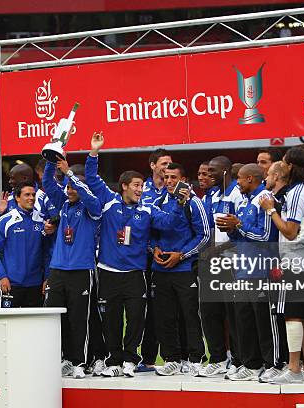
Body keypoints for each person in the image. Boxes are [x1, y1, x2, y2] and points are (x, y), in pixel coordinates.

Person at [85, 132, 185, 378]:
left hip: (135, 274)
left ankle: (130, 360)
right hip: (108, 272)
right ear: (125, 187)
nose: (141, 190)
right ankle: (113, 362)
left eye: (142, 185)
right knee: (111, 322)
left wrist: (179, 202)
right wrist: (94, 152)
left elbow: (170, 223)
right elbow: (91, 178)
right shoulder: (109, 202)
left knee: (136, 320)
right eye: (137, 186)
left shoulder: (148, 210)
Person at [259, 147, 304, 384]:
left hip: (296, 259)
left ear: (291, 166)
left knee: (293, 315)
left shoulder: (296, 193)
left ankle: (294, 368)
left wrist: (271, 210)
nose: (281, 165)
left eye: (283, 162)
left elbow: (290, 231)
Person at [42, 159, 102, 379]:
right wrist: (51, 161)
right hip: (57, 269)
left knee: (80, 319)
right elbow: (48, 183)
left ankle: (80, 361)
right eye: (67, 187)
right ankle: (64, 358)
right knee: (54, 317)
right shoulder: (63, 205)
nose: (69, 191)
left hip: (81, 270)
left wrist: (71, 174)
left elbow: (91, 199)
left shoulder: (91, 208)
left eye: (73, 187)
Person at [151, 162, 210, 376]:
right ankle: (171, 359)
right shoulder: (157, 201)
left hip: (185, 267)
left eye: (173, 178)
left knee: (189, 315)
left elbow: (204, 236)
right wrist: (154, 248)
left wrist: (182, 255)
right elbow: (153, 231)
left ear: (183, 180)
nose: (168, 182)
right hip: (161, 268)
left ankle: (195, 358)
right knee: (164, 316)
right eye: (166, 177)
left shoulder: (194, 203)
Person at [221, 164, 278, 381]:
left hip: (261, 270)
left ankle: (271, 363)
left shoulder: (264, 198)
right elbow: (243, 235)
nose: (237, 183)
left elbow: (265, 236)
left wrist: (240, 225)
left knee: (262, 322)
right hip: (243, 268)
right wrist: (232, 229)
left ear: (252, 178)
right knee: (244, 320)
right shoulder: (244, 201)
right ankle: (251, 364)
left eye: (240, 179)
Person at [197, 155, 244, 378]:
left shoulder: (237, 193)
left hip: (232, 262)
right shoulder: (213, 194)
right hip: (211, 261)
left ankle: (237, 358)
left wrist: (217, 250)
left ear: (226, 171)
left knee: (233, 313)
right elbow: (208, 228)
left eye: (213, 172)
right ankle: (217, 357)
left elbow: (241, 232)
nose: (209, 175)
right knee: (209, 311)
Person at [139, 148, 172, 372]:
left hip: (171, 258)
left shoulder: (175, 190)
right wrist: (151, 247)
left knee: (171, 310)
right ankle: (148, 358)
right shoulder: (142, 190)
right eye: (163, 163)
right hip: (145, 259)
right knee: (148, 311)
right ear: (152, 165)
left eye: (170, 164)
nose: (167, 167)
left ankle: (177, 358)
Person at [0, 181, 46, 308]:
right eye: (27, 195)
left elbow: (48, 252)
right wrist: (1, 276)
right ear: (17, 198)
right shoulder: (6, 220)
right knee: (7, 324)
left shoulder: (42, 220)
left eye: (33, 195)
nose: (31, 198)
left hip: (35, 285)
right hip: (11, 283)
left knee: (33, 326)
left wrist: (47, 277)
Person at [261, 160, 290, 382]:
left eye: (269, 173)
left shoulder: (278, 201)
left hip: (281, 264)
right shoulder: (282, 198)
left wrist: (270, 210)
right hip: (283, 262)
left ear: (278, 176)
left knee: (280, 314)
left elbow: (281, 233)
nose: (265, 178)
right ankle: (286, 362)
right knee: (285, 314)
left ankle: (280, 362)